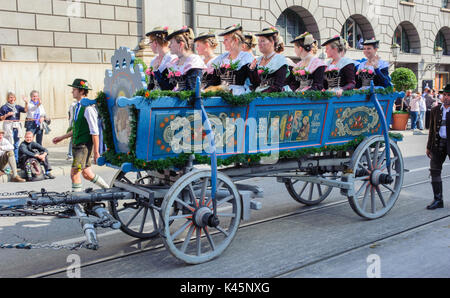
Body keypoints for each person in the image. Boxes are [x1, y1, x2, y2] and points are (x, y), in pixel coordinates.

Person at [52, 79, 109, 194]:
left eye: (74, 90)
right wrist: (61, 137)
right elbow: (76, 129)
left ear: (81, 91)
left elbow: (95, 132)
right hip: (77, 145)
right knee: (87, 174)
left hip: (83, 147)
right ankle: (108, 190)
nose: (72, 92)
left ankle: (77, 201)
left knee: (74, 174)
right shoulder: (77, 107)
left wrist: (97, 153)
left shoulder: (88, 109)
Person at [425, 83, 450, 209]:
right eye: (444, 95)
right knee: (434, 170)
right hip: (438, 142)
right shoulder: (435, 110)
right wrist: (429, 146)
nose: (446, 97)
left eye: (449, 95)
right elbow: (431, 130)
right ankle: (438, 199)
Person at [212, 24, 254, 95]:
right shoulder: (222, 58)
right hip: (221, 96)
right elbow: (214, 80)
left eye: (226, 39)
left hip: (239, 96)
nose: (223, 42)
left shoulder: (246, 57)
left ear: (235, 40)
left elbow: (251, 82)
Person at [164, 26, 206, 91]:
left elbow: (192, 90)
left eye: (171, 42)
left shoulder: (194, 61)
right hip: (178, 98)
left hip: (191, 100)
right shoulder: (175, 62)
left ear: (181, 44)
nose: (169, 46)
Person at [248, 27, 289, 93]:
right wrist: (252, 70)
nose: (259, 44)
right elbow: (255, 83)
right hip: (257, 95)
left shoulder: (280, 60)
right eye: (259, 41)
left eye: (263, 41)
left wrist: (262, 93)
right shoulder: (258, 60)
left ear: (272, 42)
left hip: (273, 98)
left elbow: (278, 85)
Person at [145, 26, 178, 91]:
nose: (150, 46)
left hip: (168, 99)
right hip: (154, 98)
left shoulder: (171, 59)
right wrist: (146, 96)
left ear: (155, 43)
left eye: (150, 43)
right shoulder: (154, 60)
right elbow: (150, 86)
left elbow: (169, 88)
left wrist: (156, 70)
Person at [0, 92, 28, 162]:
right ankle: (8, 161)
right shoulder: (4, 107)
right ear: (7, 99)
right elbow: (1, 118)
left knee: (16, 144)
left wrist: (26, 102)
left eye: (13, 97)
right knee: (9, 144)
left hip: (16, 127)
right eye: (10, 97)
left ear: (15, 98)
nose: (12, 99)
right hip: (8, 127)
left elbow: (25, 110)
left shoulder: (17, 107)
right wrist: (6, 115)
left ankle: (16, 161)